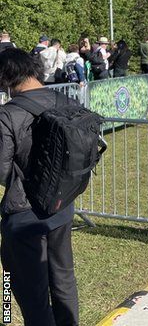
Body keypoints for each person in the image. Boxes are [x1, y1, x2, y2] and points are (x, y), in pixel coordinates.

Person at [0, 48, 79, 325]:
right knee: (63, 278)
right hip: (62, 205)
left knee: (28, 288)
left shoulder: (7, 114)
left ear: (7, 78)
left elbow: (2, 170)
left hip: (24, 214)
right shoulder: (64, 100)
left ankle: (8, 316)